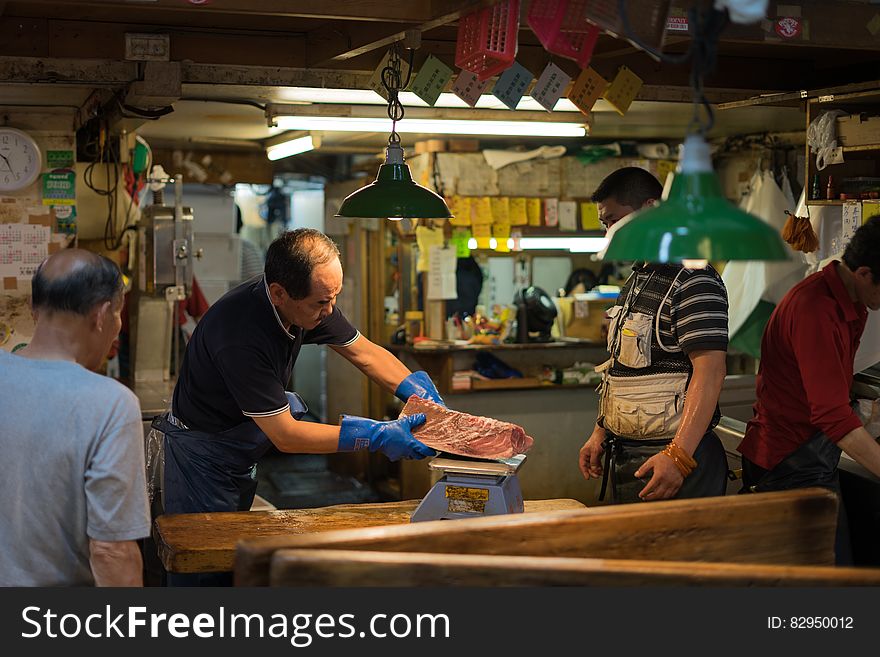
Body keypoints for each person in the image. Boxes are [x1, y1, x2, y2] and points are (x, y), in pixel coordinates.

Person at [156, 228, 442, 518]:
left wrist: (417, 392)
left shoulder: (309, 305)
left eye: (334, 297)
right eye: (321, 302)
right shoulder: (240, 336)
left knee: (232, 541)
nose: (330, 311)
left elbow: (365, 353)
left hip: (238, 446)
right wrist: (375, 435)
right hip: (202, 458)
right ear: (279, 293)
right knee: (204, 552)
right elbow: (286, 435)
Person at [578, 167, 730, 503]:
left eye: (614, 221)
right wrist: (600, 432)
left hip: (676, 464)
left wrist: (678, 457)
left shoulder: (694, 280)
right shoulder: (639, 278)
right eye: (606, 225)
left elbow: (711, 372)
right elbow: (621, 368)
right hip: (633, 457)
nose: (610, 235)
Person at [0, 250, 149, 586]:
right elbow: (111, 550)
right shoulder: (110, 404)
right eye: (119, 315)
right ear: (101, 315)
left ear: (34, 309)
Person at [737, 216, 880, 564]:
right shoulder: (815, 308)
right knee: (820, 579)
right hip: (789, 462)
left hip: (809, 454)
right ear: (863, 273)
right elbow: (830, 414)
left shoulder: (852, 302)